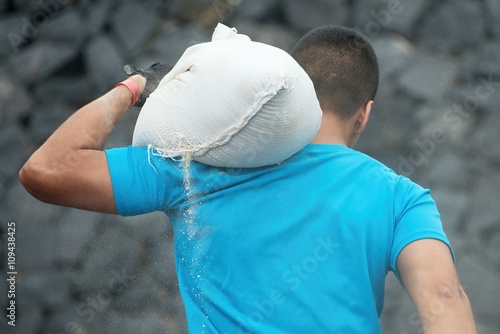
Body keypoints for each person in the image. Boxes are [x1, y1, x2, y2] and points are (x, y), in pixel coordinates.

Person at [19, 25, 476, 333]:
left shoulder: (192, 166)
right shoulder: (402, 199)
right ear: (365, 114)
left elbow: (46, 170)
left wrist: (133, 87)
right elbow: (442, 294)